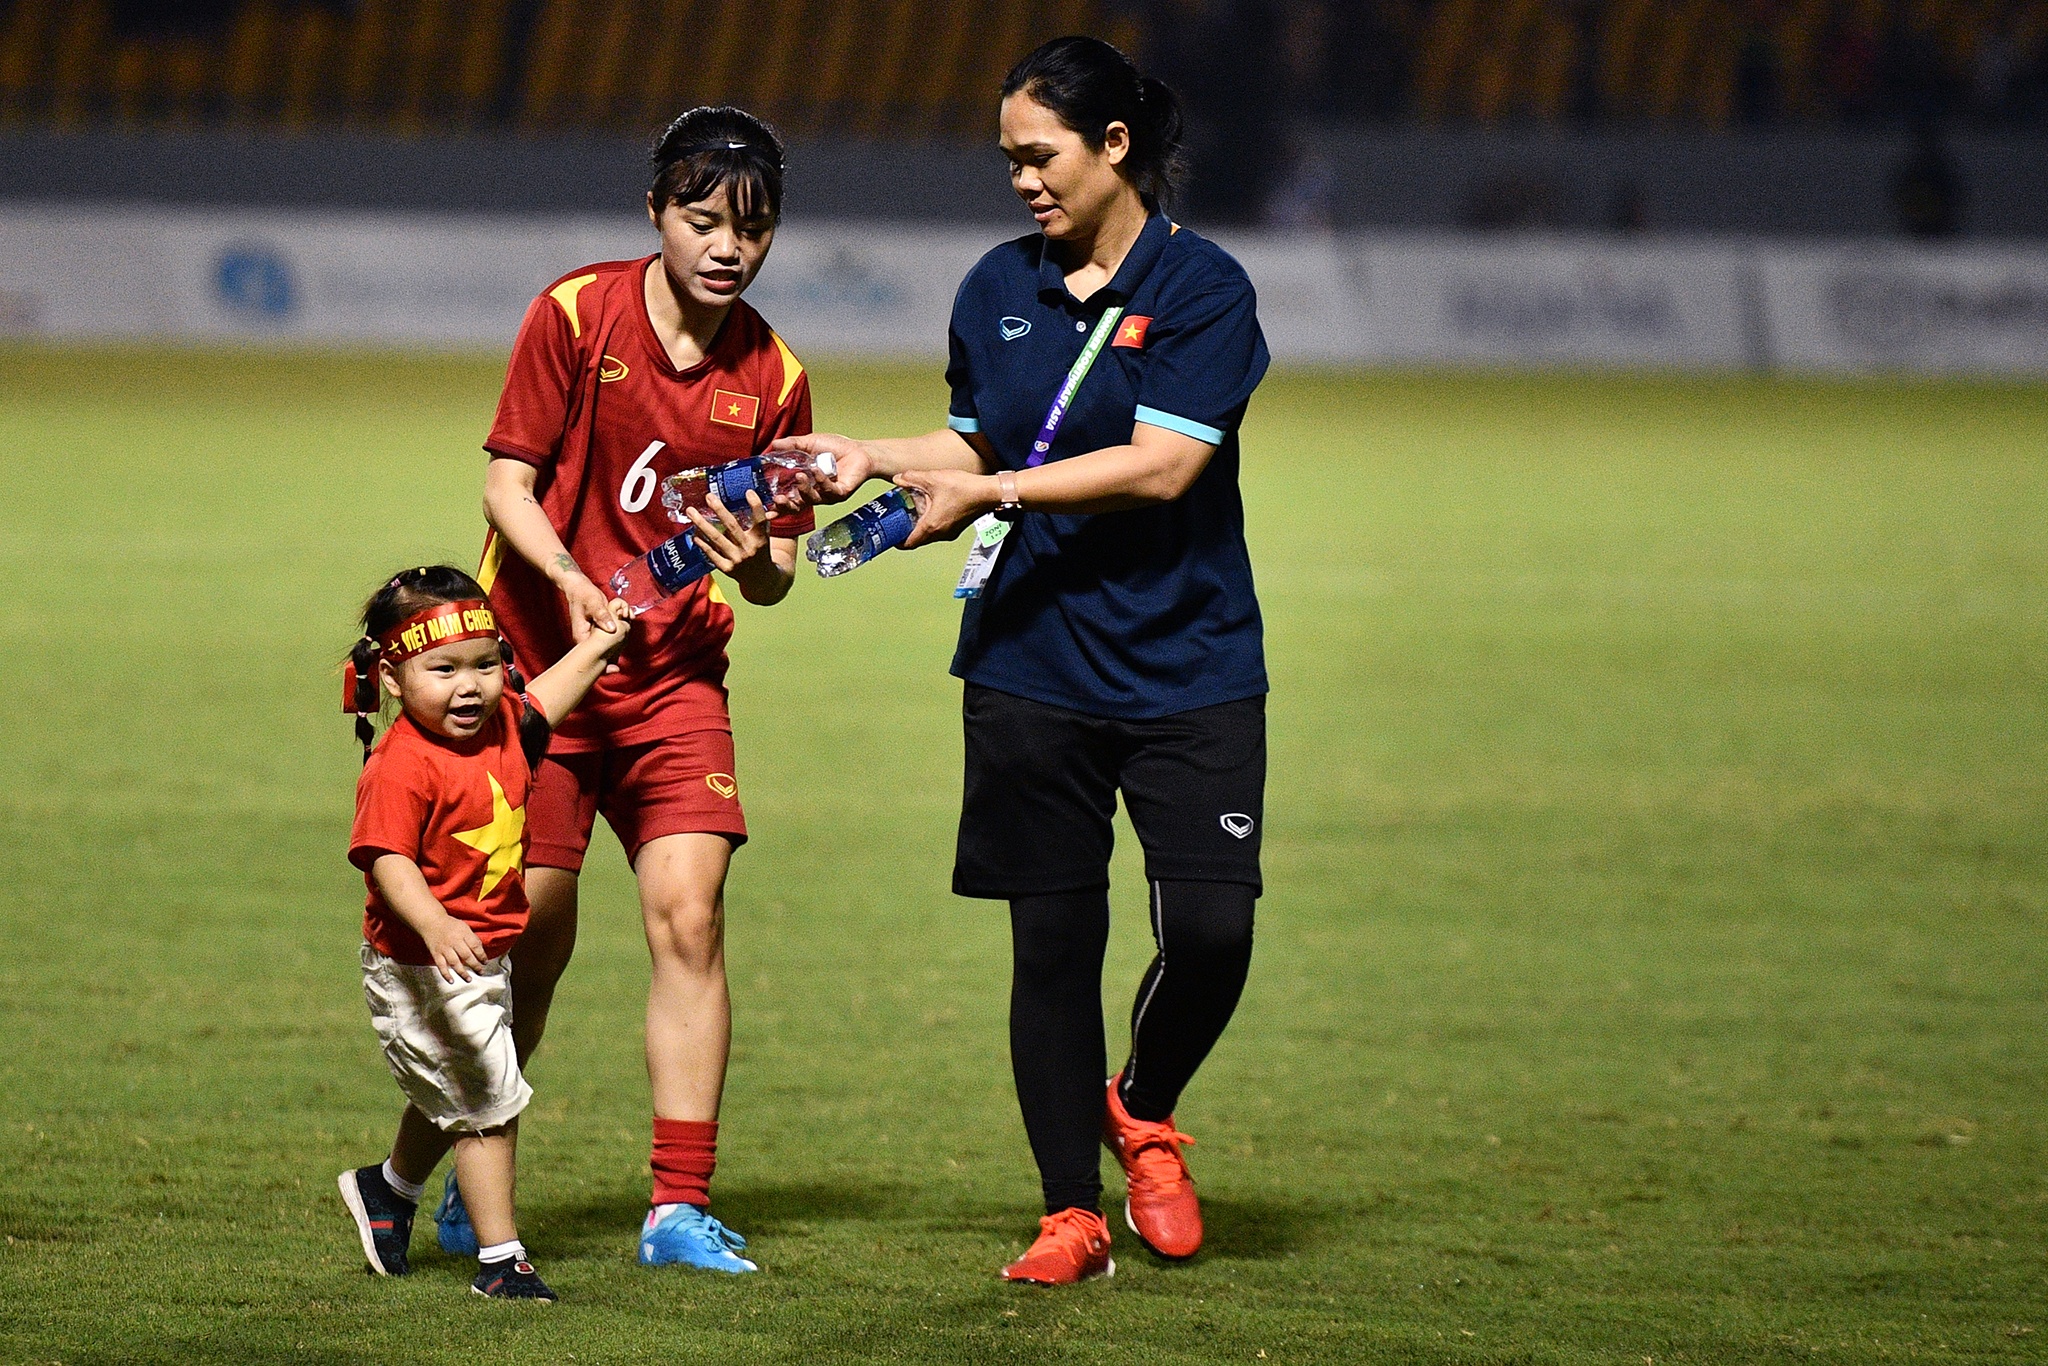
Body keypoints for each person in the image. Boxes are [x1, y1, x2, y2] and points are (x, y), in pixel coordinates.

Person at [778, 36, 1271, 1286]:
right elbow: (969, 438)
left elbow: (1162, 465)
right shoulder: (994, 284)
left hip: (1189, 663)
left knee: (1210, 931)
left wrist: (990, 486)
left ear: (1113, 147)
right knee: (1050, 946)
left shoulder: (1204, 288)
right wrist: (869, 459)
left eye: (1038, 156)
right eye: (1006, 161)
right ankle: (1068, 1211)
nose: (1019, 184)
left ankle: (1142, 1103)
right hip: (1029, 661)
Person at [409, 105, 817, 1274]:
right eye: (700, 221)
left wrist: (758, 560)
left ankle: (676, 1207)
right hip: (538, 675)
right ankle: (466, 1172)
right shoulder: (577, 313)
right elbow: (505, 485)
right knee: (526, 938)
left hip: (676, 682)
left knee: (690, 918)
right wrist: (569, 582)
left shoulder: (774, 375)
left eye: (751, 228)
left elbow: (782, 569)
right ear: (655, 214)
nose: (726, 249)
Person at [335, 565, 632, 1300]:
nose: (469, 686)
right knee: (488, 1100)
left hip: (480, 953)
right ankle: (502, 1262)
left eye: (485, 664)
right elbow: (386, 857)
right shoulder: (402, 764)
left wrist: (601, 645)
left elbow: (543, 703)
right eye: (443, 670)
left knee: (459, 1086)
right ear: (395, 677)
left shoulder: (504, 725)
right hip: (422, 963)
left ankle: (389, 1191)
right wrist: (434, 923)